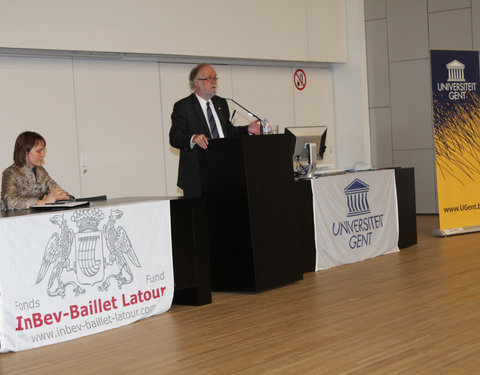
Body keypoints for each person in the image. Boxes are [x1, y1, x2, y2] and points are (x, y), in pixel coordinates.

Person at [169, 63, 261, 197]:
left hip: (224, 172)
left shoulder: (220, 103)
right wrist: (193, 138)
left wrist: (247, 129)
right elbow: (175, 137)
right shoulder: (183, 106)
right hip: (198, 176)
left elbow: (227, 132)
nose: (213, 82)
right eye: (208, 78)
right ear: (196, 83)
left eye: (215, 78)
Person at [1, 131, 70, 210]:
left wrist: (63, 196)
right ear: (25, 153)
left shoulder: (41, 171)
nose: (43, 155)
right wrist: (42, 202)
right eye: (39, 151)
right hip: (14, 219)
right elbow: (10, 202)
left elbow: (55, 190)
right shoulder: (11, 173)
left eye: (44, 150)